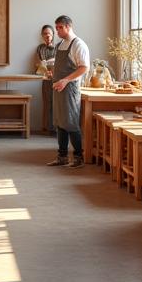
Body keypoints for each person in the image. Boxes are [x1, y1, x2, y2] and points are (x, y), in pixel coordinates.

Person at [46, 15, 90, 168]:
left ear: (68, 26)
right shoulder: (60, 45)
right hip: (58, 88)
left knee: (71, 123)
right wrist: (54, 74)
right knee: (60, 122)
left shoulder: (78, 44)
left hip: (70, 89)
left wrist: (65, 80)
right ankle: (62, 156)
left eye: (60, 28)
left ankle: (78, 157)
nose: (57, 31)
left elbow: (84, 67)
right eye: (56, 27)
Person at [36, 24, 56, 135]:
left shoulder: (59, 46)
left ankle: (56, 128)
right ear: (42, 35)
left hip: (57, 79)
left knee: (56, 103)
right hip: (45, 79)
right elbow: (39, 63)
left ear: (53, 34)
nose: (47, 35)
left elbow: (58, 62)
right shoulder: (40, 48)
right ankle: (47, 128)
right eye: (45, 33)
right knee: (47, 103)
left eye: (49, 33)